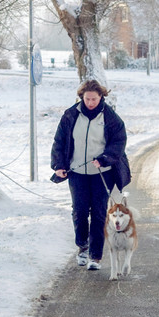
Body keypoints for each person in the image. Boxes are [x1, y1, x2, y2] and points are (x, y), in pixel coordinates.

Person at [50, 80, 129, 270]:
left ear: (101, 97)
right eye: (87, 99)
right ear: (81, 97)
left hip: (102, 173)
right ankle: (82, 247)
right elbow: (59, 141)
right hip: (77, 172)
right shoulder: (71, 115)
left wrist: (105, 158)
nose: (91, 102)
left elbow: (119, 142)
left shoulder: (110, 117)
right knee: (79, 211)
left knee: (99, 213)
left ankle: (95, 256)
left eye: (94, 99)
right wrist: (59, 165)